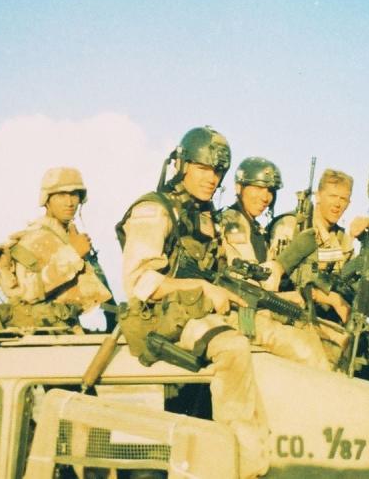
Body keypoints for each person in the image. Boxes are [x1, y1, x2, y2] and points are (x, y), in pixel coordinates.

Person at [116, 127, 269, 478]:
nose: (212, 179)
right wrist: (201, 287)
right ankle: (245, 461)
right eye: (204, 168)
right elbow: (139, 282)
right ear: (183, 165)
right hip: (160, 318)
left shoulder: (203, 215)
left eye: (217, 172)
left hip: (192, 314)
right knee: (232, 348)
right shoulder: (153, 210)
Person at [218, 157, 331, 370]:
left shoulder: (256, 229)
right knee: (309, 350)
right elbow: (249, 282)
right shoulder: (233, 223)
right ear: (239, 187)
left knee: (322, 336)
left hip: (255, 308)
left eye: (270, 190)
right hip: (241, 312)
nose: (266, 197)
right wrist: (286, 267)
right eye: (259, 187)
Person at [0, 167, 112, 333]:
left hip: (66, 328)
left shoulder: (68, 236)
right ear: (47, 200)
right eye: (61, 195)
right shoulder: (33, 239)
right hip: (42, 332)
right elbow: (24, 293)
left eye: (74, 194)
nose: (69, 202)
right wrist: (73, 255)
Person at [269, 169, 369, 326]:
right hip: (287, 310)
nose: (337, 204)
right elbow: (275, 275)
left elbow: (351, 287)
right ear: (318, 196)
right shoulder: (293, 226)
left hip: (323, 317)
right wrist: (330, 298)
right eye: (332, 196)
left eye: (343, 199)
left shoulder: (342, 240)